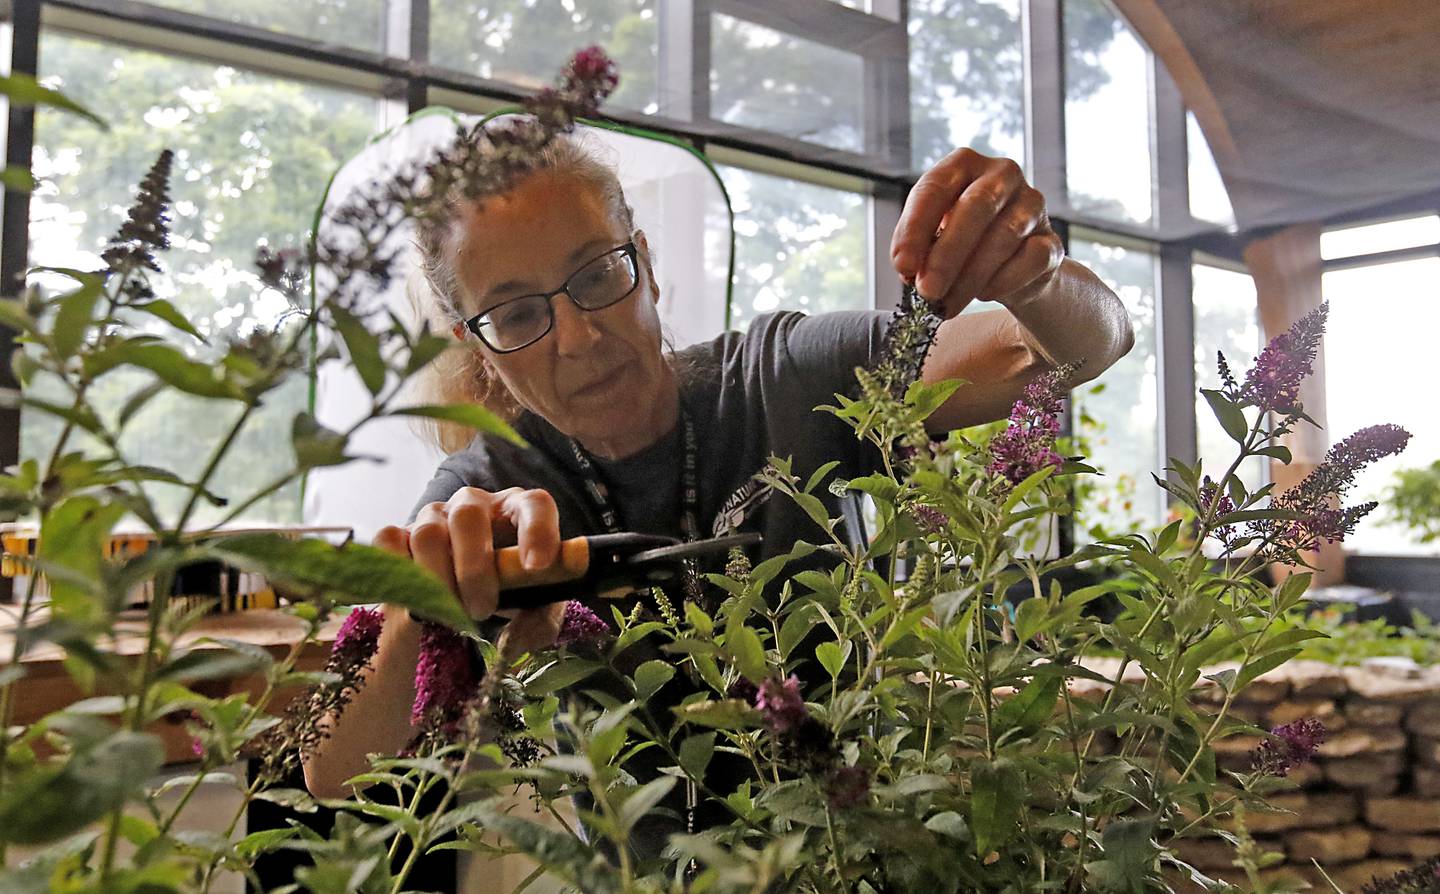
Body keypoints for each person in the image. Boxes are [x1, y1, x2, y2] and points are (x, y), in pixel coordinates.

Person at [302, 129, 1134, 818]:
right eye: (518, 313)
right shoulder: (484, 491)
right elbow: (336, 774)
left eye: (597, 275)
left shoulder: (784, 379)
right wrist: (422, 612)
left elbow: (1076, 349)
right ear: (473, 340)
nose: (580, 338)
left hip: (867, 847)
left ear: (648, 265)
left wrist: (1036, 277)